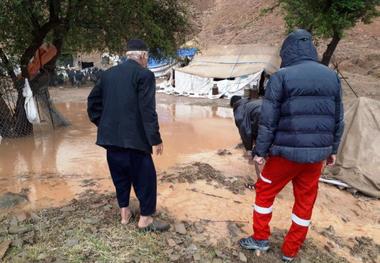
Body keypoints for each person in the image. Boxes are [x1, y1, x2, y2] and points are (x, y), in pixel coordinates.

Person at [239, 29, 344, 262]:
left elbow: (268, 119)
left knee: (265, 193)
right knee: (305, 201)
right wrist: (333, 149)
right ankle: (290, 250)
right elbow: (338, 118)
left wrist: (260, 152)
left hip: (284, 154)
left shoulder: (281, 76)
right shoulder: (331, 76)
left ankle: (260, 238)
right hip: (316, 156)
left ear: (287, 51)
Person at [87, 39, 169, 232]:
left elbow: (92, 103)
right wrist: (155, 139)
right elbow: (148, 110)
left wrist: (104, 124)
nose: (147, 61)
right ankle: (145, 220)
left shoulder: (108, 74)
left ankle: (125, 214)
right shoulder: (145, 75)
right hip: (135, 141)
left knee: (120, 175)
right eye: (147, 58)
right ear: (142, 56)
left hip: (111, 140)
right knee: (146, 178)